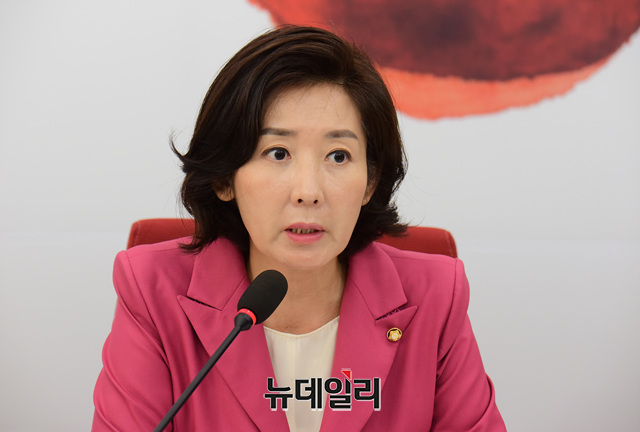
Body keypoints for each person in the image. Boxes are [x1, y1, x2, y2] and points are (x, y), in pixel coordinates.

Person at [92, 25, 506, 431]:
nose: (308, 192)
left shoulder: (436, 297)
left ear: (370, 182)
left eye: (338, 156)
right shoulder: (152, 292)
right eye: (278, 153)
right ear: (224, 177)